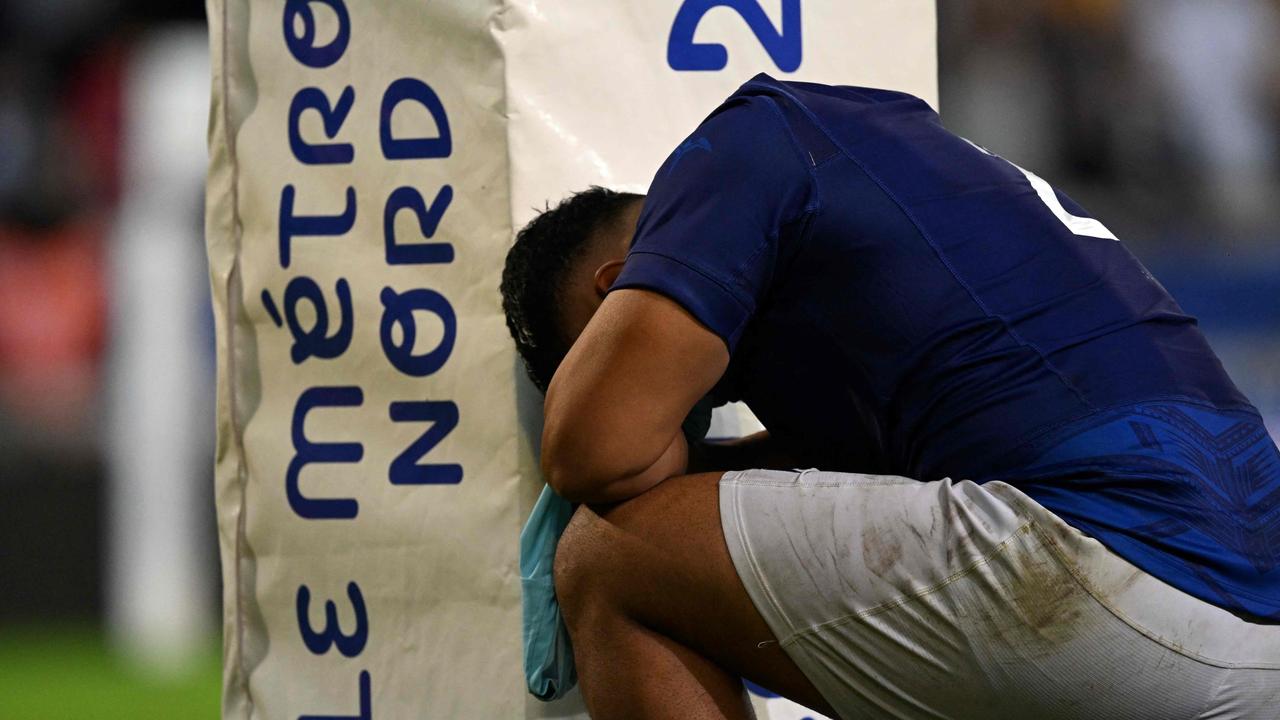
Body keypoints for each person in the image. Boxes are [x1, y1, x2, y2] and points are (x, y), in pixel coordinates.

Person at [500, 74, 1280, 719]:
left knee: (611, 552)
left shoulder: (745, 142)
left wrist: (620, 445)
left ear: (615, 292)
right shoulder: (884, 158)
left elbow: (596, 451)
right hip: (1251, 622)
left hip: (1120, 566)